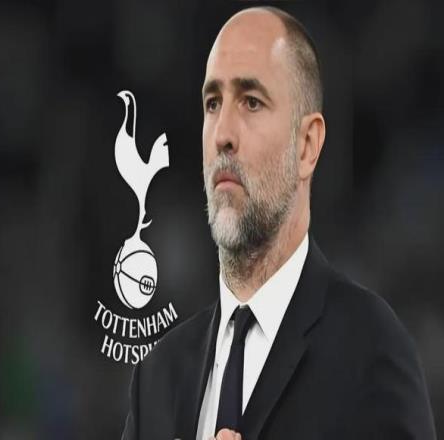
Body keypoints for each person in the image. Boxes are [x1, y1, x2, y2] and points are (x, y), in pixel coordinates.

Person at [121, 6, 436, 440]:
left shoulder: (371, 349)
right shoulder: (158, 376)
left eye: (251, 102)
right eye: (213, 103)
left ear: (307, 145)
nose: (222, 133)